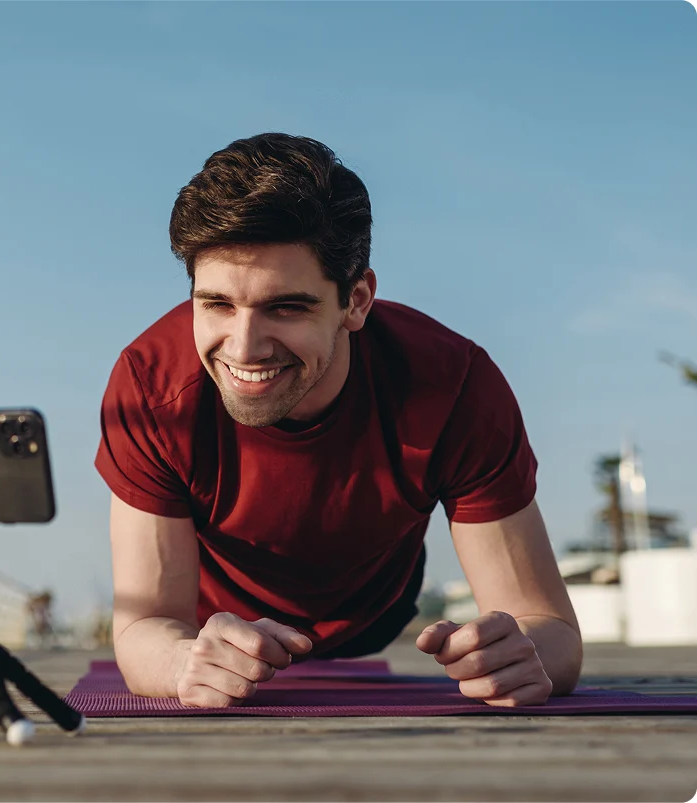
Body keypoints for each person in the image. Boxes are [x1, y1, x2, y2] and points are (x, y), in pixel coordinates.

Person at [94, 133, 582, 709]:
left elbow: (551, 631)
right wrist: (182, 660)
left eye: (286, 307)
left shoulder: (454, 385)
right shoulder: (151, 389)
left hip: (376, 617)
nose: (244, 347)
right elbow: (144, 626)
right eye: (217, 304)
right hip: (217, 636)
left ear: (357, 300)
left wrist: (518, 653)